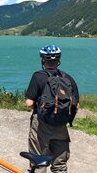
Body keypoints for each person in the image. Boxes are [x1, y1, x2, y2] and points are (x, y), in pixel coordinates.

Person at [25, 45, 79, 173]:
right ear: (58, 60)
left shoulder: (38, 76)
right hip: (61, 125)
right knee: (60, 165)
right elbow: (76, 105)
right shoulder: (68, 78)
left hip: (41, 125)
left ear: (43, 60)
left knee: (39, 161)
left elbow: (29, 103)